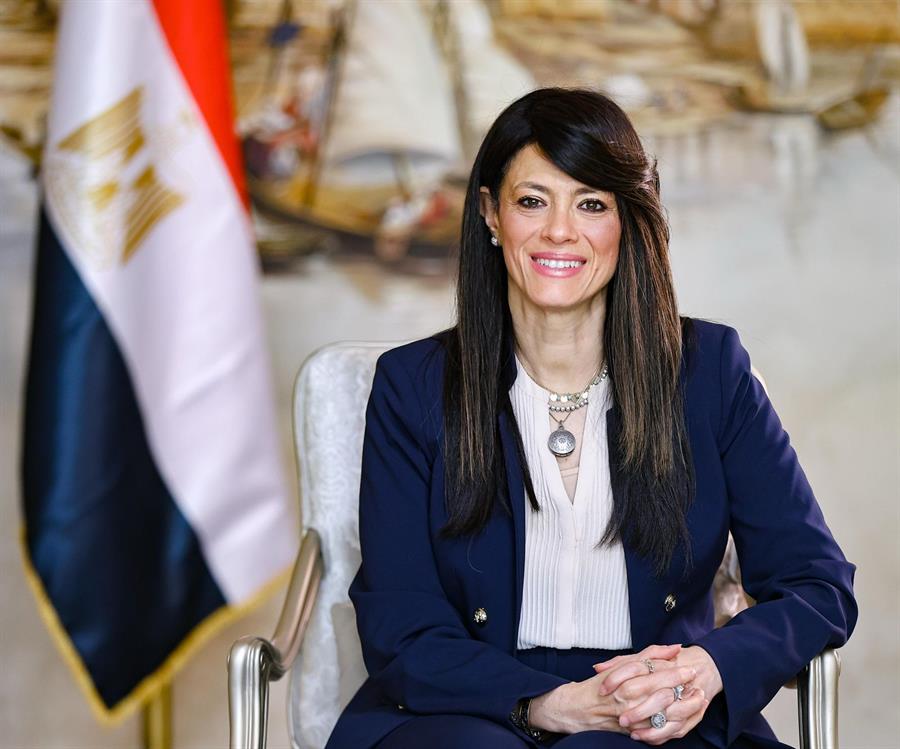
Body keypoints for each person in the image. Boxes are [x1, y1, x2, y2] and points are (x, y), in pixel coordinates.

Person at [324, 88, 857, 749]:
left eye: (591, 204)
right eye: (532, 201)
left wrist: (707, 667)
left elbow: (816, 583)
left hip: (653, 706)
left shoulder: (710, 372)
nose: (559, 230)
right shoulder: (414, 386)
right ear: (491, 213)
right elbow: (400, 619)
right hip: (465, 706)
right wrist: (551, 704)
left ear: (627, 219)